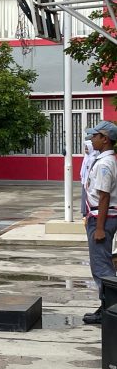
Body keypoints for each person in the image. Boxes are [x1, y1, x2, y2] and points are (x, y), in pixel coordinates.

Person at [81, 121, 117, 325]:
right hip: (99, 216)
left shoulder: (104, 164)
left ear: (105, 139)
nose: (91, 139)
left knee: (101, 268)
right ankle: (106, 306)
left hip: (102, 219)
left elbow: (104, 197)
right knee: (102, 266)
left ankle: (109, 309)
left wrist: (100, 228)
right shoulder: (105, 160)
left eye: (95, 135)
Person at [81, 140, 99, 218]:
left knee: (89, 197)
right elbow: (83, 169)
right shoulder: (86, 157)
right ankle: (84, 211)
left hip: (89, 182)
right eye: (85, 148)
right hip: (84, 181)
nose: (86, 150)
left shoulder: (93, 158)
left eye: (87, 148)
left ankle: (88, 211)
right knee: (84, 196)